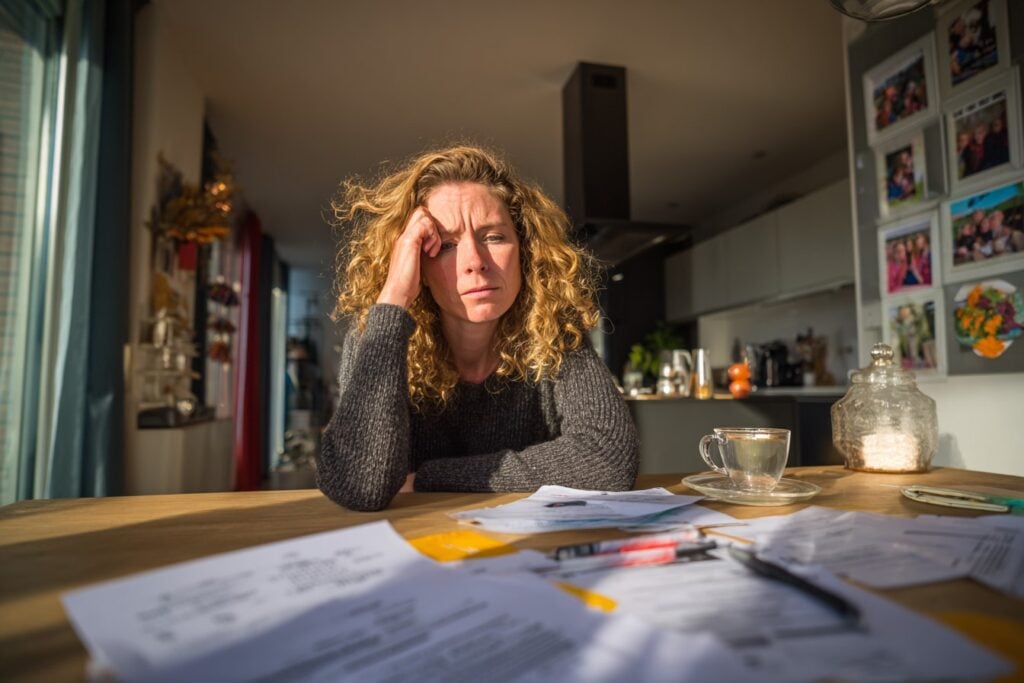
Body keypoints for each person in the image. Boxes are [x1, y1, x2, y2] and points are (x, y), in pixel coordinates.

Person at [318, 145, 640, 511]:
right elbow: (359, 485)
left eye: (494, 237)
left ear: (526, 250)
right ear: (416, 264)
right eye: (446, 246)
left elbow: (608, 459)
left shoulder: (554, 333)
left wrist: (427, 479)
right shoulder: (377, 338)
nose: (475, 262)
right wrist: (393, 297)